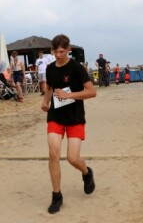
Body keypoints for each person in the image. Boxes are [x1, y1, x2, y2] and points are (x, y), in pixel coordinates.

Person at [41, 34, 97, 214]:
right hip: (55, 115)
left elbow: (91, 92)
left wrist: (69, 95)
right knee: (53, 153)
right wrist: (45, 101)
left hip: (75, 117)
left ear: (68, 50)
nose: (58, 55)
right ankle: (56, 195)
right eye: (55, 51)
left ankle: (87, 173)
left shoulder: (77, 68)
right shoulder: (50, 68)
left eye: (61, 51)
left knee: (72, 158)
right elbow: (49, 87)